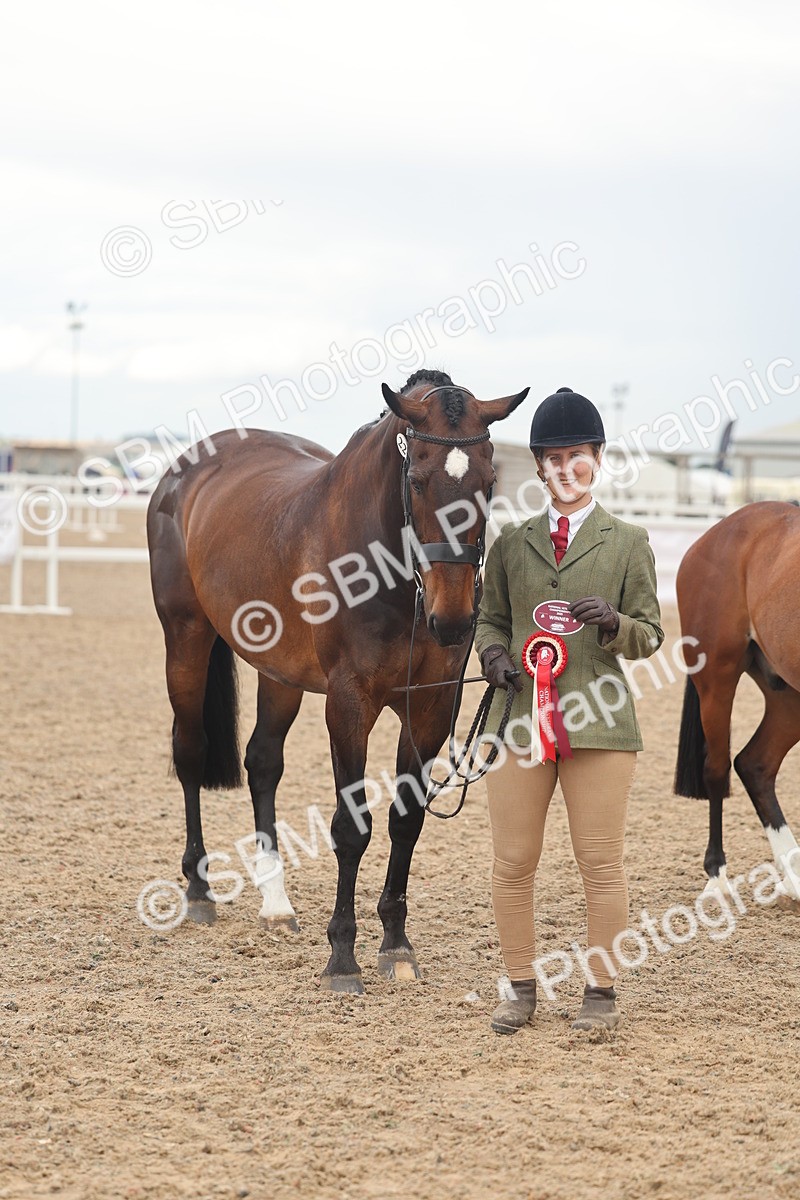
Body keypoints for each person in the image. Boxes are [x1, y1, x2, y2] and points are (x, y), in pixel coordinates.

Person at [475, 386, 663, 1034]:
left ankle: (601, 993)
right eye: (551, 458)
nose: (564, 469)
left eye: (576, 455)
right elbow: (489, 619)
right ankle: (520, 988)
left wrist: (614, 623)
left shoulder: (628, 542)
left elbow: (650, 634)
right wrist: (495, 656)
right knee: (512, 862)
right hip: (521, 718)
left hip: (602, 723)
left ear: (598, 458)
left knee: (600, 863)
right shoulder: (509, 543)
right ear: (539, 465)